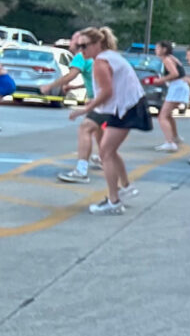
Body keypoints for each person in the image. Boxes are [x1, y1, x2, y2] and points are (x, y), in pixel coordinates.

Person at [67, 28, 149, 214]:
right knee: (109, 150)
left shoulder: (101, 62)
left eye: (85, 46)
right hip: (128, 105)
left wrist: (85, 109)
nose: (81, 50)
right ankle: (126, 187)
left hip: (126, 108)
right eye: (79, 46)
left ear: (98, 44)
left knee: (106, 152)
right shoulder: (109, 56)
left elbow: (107, 92)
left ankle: (114, 202)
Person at [52, 30, 103, 184]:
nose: (71, 42)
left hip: (101, 100)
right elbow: (92, 80)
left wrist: (50, 86)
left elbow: (71, 75)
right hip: (102, 99)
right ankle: (104, 158)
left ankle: (81, 170)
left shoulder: (81, 57)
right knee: (98, 130)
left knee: (85, 129)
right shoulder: (96, 57)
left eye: (74, 39)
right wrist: (75, 88)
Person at [153, 40, 189, 152]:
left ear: (164, 49)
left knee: (162, 116)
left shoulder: (167, 60)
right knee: (168, 115)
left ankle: (169, 142)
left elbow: (175, 73)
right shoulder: (171, 58)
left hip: (177, 87)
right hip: (180, 86)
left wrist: (161, 80)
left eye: (158, 48)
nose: (155, 50)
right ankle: (175, 137)